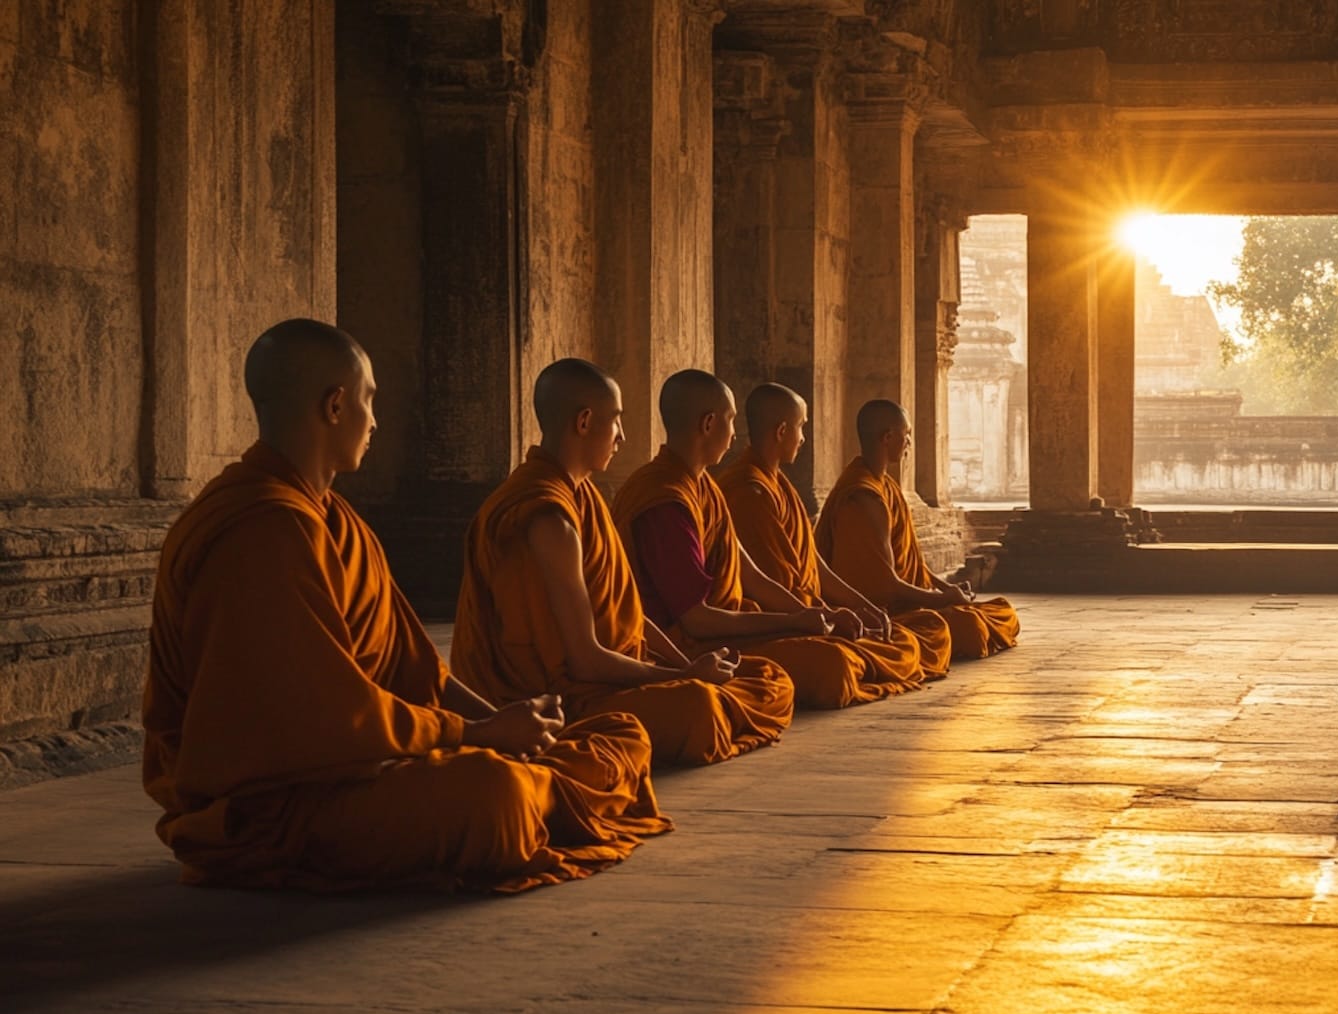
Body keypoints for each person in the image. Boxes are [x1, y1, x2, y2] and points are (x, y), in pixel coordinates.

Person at [143, 320, 670, 894]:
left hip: (373, 762)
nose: (377, 421)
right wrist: (476, 736)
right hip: (277, 800)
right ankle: (532, 787)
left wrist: (495, 725)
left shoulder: (339, 524)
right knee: (497, 796)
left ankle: (536, 780)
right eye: (371, 402)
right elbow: (322, 719)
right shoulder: (263, 530)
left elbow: (415, 669)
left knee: (619, 734)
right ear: (336, 405)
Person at [450, 358, 795, 767]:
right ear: (583, 422)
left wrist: (686, 666)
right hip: (549, 700)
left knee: (769, 680)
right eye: (616, 421)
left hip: (610, 675)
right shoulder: (547, 517)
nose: (622, 437)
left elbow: (629, 614)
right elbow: (585, 658)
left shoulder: (586, 499)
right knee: (698, 708)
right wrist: (682, 679)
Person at [610, 370, 919, 709]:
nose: (734, 434)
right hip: (691, 642)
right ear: (709, 424)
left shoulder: (706, 490)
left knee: (885, 644)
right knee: (831, 665)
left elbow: (751, 575)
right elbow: (696, 619)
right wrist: (795, 620)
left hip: (727, 630)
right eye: (730, 421)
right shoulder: (668, 499)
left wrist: (817, 614)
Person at [717, 383, 949, 680]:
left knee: (910, 639)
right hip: (775, 621)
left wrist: (862, 609)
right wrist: (822, 616)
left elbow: (815, 566)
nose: (803, 438)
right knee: (838, 666)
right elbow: (765, 585)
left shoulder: (781, 488)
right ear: (781, 431)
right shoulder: (749, 493)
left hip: (808, 614)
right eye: (801, 427)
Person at [817, 399, 1019, 661]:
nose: (910, 442)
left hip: (906, 602)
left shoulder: (887, 487)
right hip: (879, 610)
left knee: (1002, 611)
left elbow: (913, 566)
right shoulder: (862, 498)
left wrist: (945, 589)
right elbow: (882, 586)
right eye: (907, 434)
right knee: (970, 629)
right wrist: (941, 600)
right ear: (888, 437)